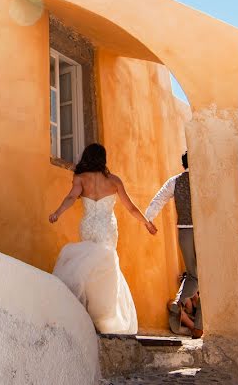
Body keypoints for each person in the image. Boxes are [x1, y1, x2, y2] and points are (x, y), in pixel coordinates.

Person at [48, 143, 157, 334]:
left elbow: (71, 198)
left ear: (87, 157)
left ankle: (85, 313)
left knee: (88, 264)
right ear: (102, 159)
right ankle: (105, 317)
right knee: (105, 268)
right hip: (107, 228)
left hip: (88, 226)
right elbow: (130, 207)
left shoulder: (80, 178)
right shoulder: (114, 181)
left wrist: (57, 213)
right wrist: (146, 222)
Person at [144, 152, 203, 338]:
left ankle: (178, 302)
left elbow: (159, 199)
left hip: (184, 232)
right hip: (204, 232)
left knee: (193, 275)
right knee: (208, 277)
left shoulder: (175, 181)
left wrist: (148, 219)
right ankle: (199, 327)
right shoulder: (204, 177)